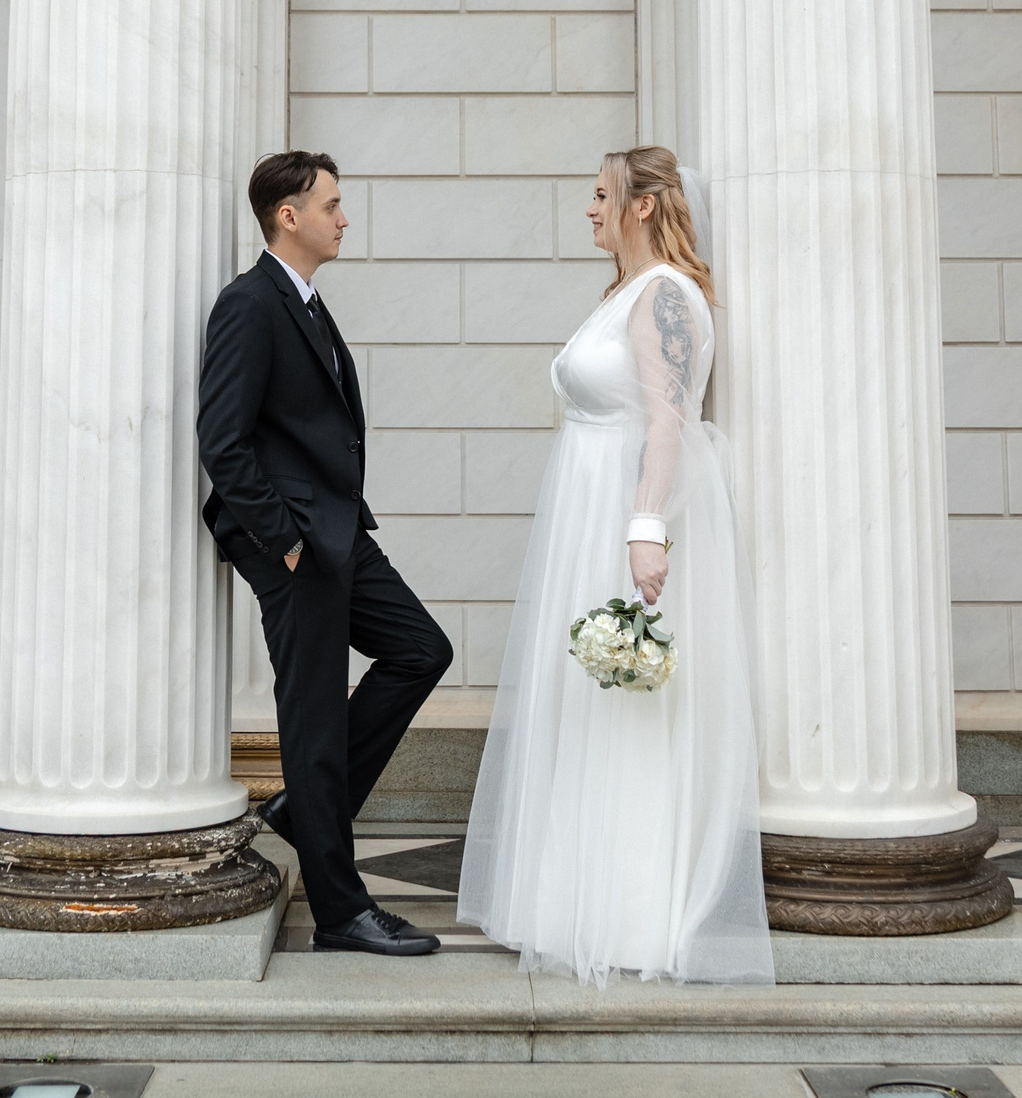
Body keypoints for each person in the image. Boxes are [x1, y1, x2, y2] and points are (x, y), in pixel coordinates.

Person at [456, 145, 773, 985]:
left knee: (626, 710)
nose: (591, 209)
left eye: (603, 195)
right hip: (586, 513)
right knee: (589, 706)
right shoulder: (627, 293)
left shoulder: (665, 294)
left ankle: (630, 914)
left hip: (621, 517)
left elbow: (668, 419)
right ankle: (571, 898)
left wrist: (645, 528)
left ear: (643, 205)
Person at [198, 151, 455, 956]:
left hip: (339, 530)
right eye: (332, 205)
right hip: (296, 542)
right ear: (289, 216)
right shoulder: (250, 304)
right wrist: (282, 542)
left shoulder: (305, 299)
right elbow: (222, 441)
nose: (344, 219)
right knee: (310, 721)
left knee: (420, 650)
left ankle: (302, 811)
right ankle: (342, 913)